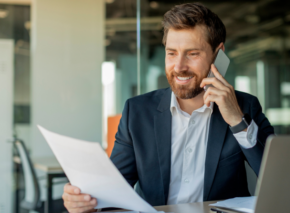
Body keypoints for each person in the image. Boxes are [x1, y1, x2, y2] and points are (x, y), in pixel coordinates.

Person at [62, 3, 274, 213]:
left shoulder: (245, 106)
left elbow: (278, 180)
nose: (179, 67)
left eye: (192, 54)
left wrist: (238, 122)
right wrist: (86, 202)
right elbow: (114, 192)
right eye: (172, 53)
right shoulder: (137, 112)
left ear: (218, 54)